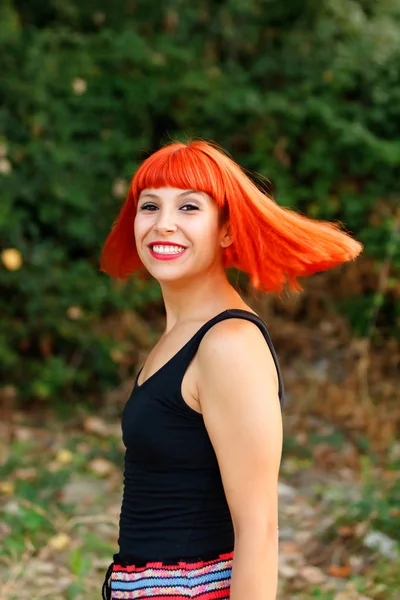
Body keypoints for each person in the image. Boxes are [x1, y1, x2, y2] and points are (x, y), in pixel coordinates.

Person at [100, 139, 363, 599]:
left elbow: (259, 530)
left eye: (188, 207)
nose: (164, 224)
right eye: (150, 206)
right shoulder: (180, 335)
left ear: (225, 230)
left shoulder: (229, 344)